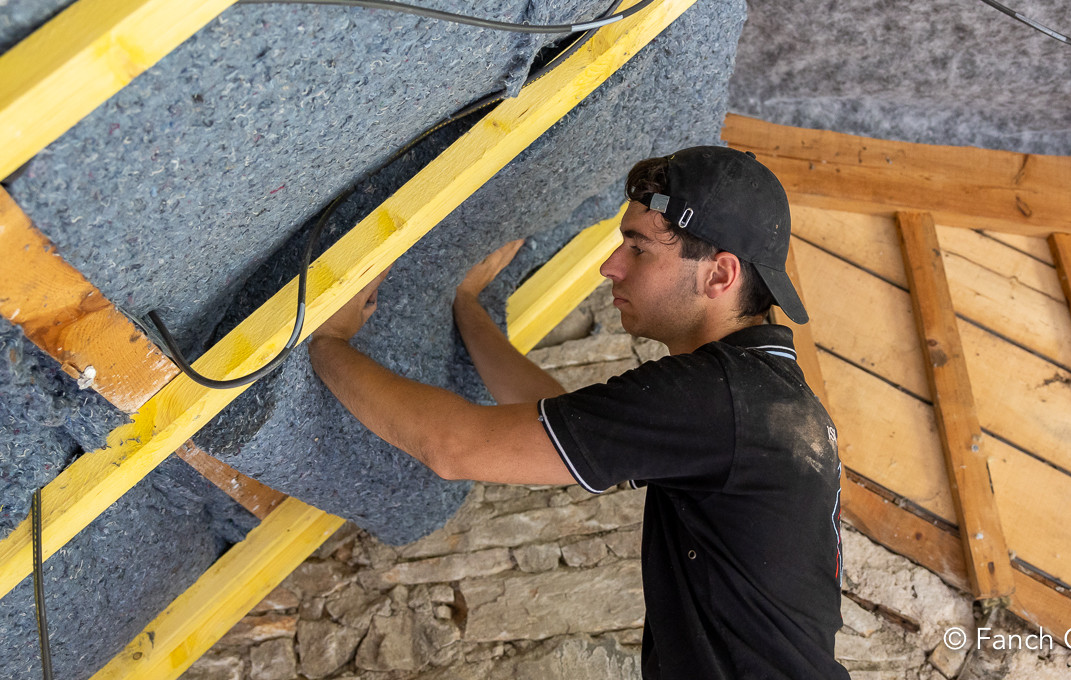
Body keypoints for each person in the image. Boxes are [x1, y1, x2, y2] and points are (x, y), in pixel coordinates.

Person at [309, 145, 849, 679]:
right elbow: (559, 420)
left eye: (638, 249)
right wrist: (469, 307)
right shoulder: (762, 396)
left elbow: (456, 447)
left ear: (719, 276)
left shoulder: (716, 396)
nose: (608, 266)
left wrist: (327, 340)